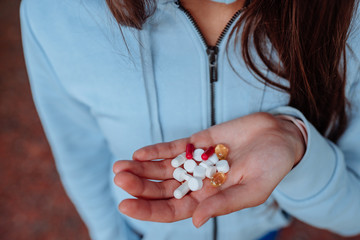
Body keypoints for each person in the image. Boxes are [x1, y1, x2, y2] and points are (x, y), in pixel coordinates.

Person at [20, 0, 360, 239]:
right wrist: (109, 234)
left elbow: (352, 215)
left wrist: (297, 146)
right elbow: (78, 154)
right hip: (142, 227)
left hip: (259, 229)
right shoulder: (54, 13)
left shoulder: (349, 17)